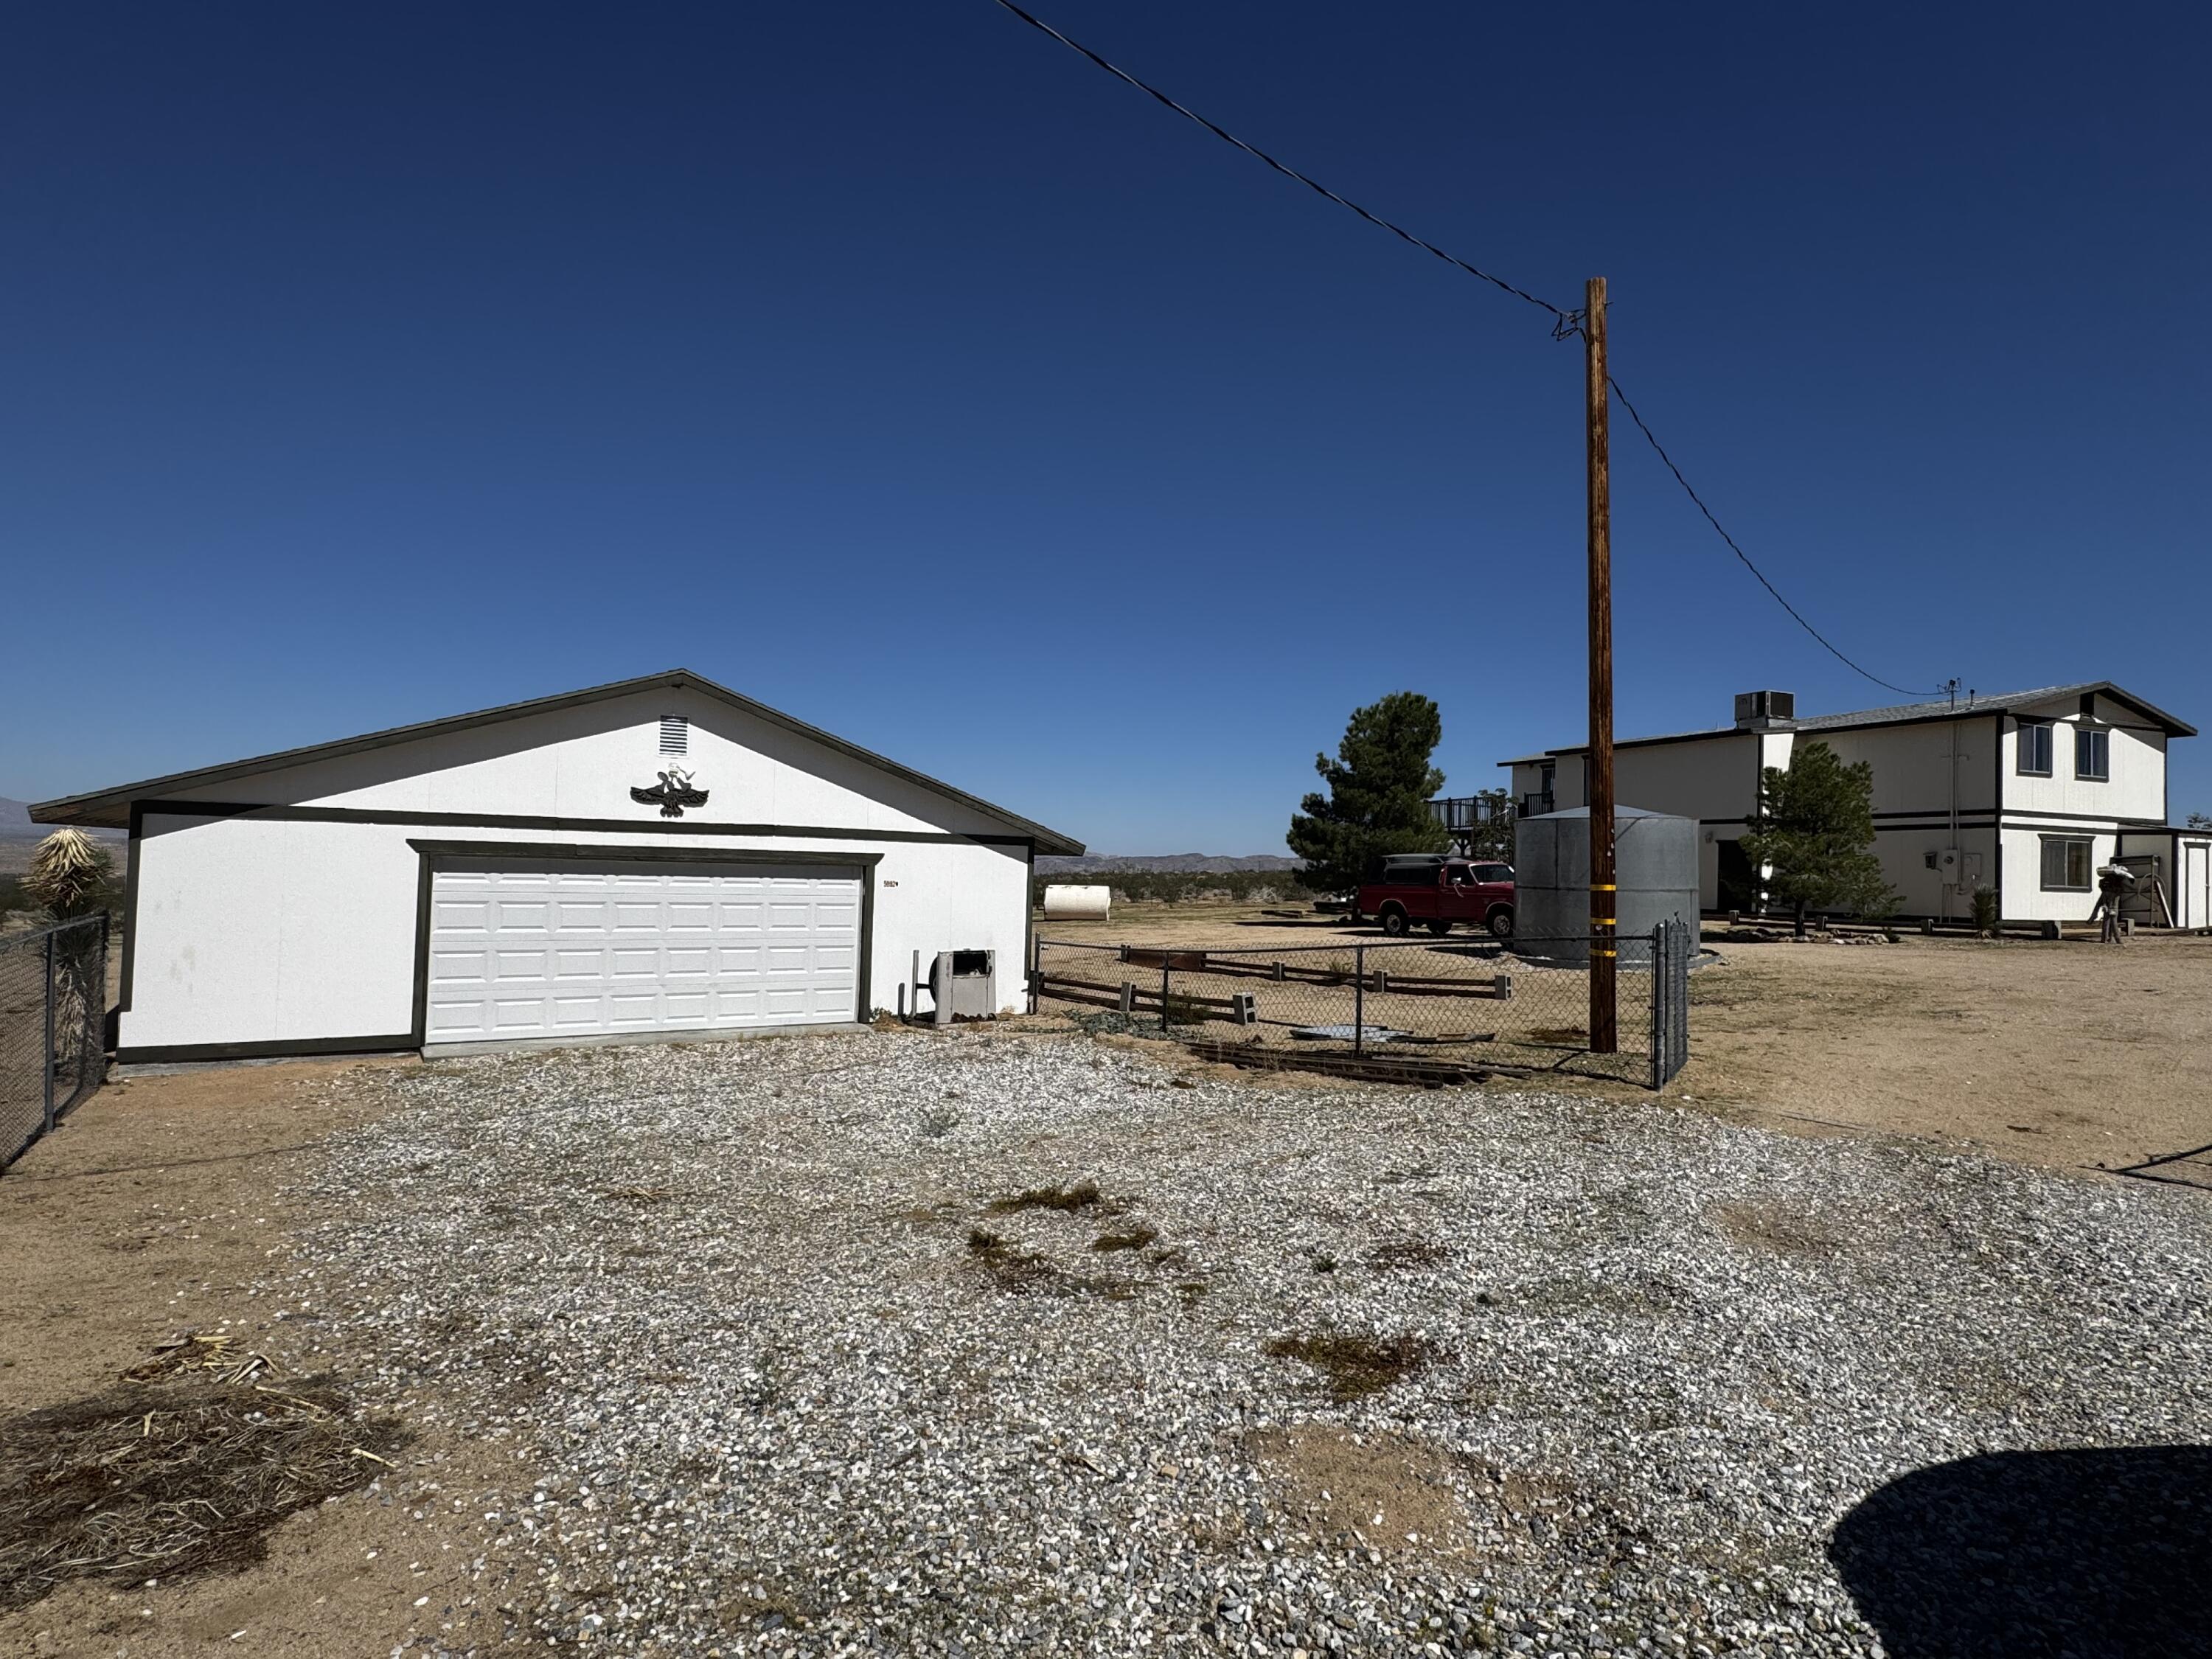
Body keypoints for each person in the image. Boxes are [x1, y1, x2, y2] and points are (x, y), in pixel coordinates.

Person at [2096, 864, 2136, 944]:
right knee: (2113, 922)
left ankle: (2105, 938)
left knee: (2106, 921)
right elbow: (2116, 896)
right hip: (2113, 905)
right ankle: (2117, 939)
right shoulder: (2117, 886)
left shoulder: (2105, 884)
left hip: (2107, 903)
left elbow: (2104, 894)